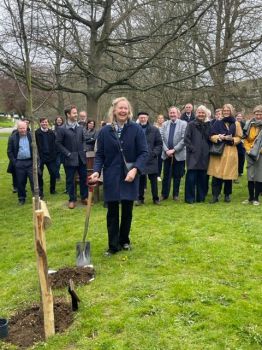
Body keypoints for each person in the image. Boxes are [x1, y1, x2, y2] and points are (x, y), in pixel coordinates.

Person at [89, 97, 148, 255]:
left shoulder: (136, 129)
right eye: (120, 108)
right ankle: (113, 245)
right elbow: (100, 155)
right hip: (111, 176)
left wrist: (135, 169)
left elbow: (144, 153)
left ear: (129, 111)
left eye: (125, 108)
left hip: (130, 175)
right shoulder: (104, 132)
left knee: (128, 210)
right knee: (112, 212)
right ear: (114, 111)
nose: (123, 111)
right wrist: (96, 171)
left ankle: (124, 240)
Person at [208, 103, 243, 203]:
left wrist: (232, 140)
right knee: (216, 174)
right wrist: (219, 137)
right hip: (219, 151)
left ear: (231, 111)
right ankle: (215, 195)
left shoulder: (236, 123)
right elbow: (211, 136)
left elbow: (240, 137)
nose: (226, 112)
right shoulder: (217, 122)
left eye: (228, 110)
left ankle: (227, 195)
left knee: (229, 175)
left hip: (230, 151)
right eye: (225, 111)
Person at [56, 105, 88, 209]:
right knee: (70, 180)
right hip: (69, 159)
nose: (76, 115)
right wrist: (68, 154)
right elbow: (58, 144)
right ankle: (72, 199)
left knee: (84, 178)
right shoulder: (62, 129)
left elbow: (83, 140)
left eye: (76, 112)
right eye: (74, 113)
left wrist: (83, 148)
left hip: (81, 158)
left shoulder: (80, 127)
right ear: (68, 114)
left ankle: (84, 197)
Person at [184, 105, 211, 203]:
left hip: (204, 155)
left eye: (203, 112)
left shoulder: (208, 125)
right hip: (193, 155)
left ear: (205, 114)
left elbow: (210, 138)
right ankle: (189, 198)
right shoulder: (191, 124)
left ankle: (201, 198)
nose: (201, 114)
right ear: (196, 114)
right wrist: (192, 149)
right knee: (191, 178)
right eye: (199, 112)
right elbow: (186, 139)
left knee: (203, 178)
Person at [136, 112, 162, 205]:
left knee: (153, 180)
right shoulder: (135, 129)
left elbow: (159, 144)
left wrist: (154, 153)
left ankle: (156, 199)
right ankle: (140, 199)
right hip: (140, 158)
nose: (143, 119)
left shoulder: (154, 129)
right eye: (141, 118)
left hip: (152, 158)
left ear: (147, 118)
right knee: (140, 180)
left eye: (144, 117)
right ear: (138, 118)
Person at [161, 106, 187, 200]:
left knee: (177, 175)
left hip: (179, 154)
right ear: (169, 114)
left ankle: (175, 195)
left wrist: (174, 149)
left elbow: (184, 139)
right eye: (171, 113)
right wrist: (166, 150)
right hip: (166, 154)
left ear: (178, 114)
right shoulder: (164, 124)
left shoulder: (184, 124)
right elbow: (161, 138)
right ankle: (164, 194)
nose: (172, 114)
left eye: (174, 113)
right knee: (166, 175)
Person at [7, 120, 34, 205]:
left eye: (24, 128)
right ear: (17, 128)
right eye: (20, 128)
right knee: (20, 182)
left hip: (30, 162)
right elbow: (9, 151)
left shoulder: (31, 136)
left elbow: (37, 149)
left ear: (27, 127)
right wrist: (15, 162)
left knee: (34, 180)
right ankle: (22, 198)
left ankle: (37, 197)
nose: (22, 130)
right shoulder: (12, 138)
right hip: (19, 163)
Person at [242, 105, 262, 205]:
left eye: (260, 113)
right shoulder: (249, 124)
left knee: (258, 176)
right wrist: (248, 149)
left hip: (260, 154)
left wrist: (258, 151)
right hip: (249, 152)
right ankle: (250, 198)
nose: (258, 115)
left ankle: (256, 198)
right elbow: (245, 139)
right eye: (256, 113)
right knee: (250, 176)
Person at [35, 117, 57, 198]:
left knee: (53, 173)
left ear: (48, 123)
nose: (44, 123)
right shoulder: (36, 133)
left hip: (50, 157)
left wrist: (54, 154)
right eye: (43, 122)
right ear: (40, 123)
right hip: (41, 157)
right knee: (39, 174)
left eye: (46, 122)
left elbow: (55, 144)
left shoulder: (51, 132)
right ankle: (40, 191)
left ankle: (53, 189)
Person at [154, 114, 165, 181]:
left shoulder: (165, 126)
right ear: (157, 119)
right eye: (159, 118)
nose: (160, 119)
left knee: (160, 161)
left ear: (163, 119)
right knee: (155, 160)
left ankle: (158, 175)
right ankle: (154, 174)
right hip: (156, 146)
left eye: (162, 118)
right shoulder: (154, 127)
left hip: (163, 146)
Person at [53, 116, 64, 180]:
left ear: (62, 121)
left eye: (60, 120)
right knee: (57, 164)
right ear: (56, 121)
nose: (59, 121)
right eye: (58, 120)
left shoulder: (65, 129)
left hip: (64, 149)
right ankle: (57, 176)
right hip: (57, 150)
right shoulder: (54, 130)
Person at [235, 112, 246, 177]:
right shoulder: (234, 124)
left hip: (242, 143)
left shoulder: (244, 124)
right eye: (238, 116)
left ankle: (240, 171)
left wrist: (243, 138)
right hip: (235, 143)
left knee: (241, 157)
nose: (239, 117)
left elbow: (246, 133)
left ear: (242, 117)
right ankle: (235, 170)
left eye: (240, 116)